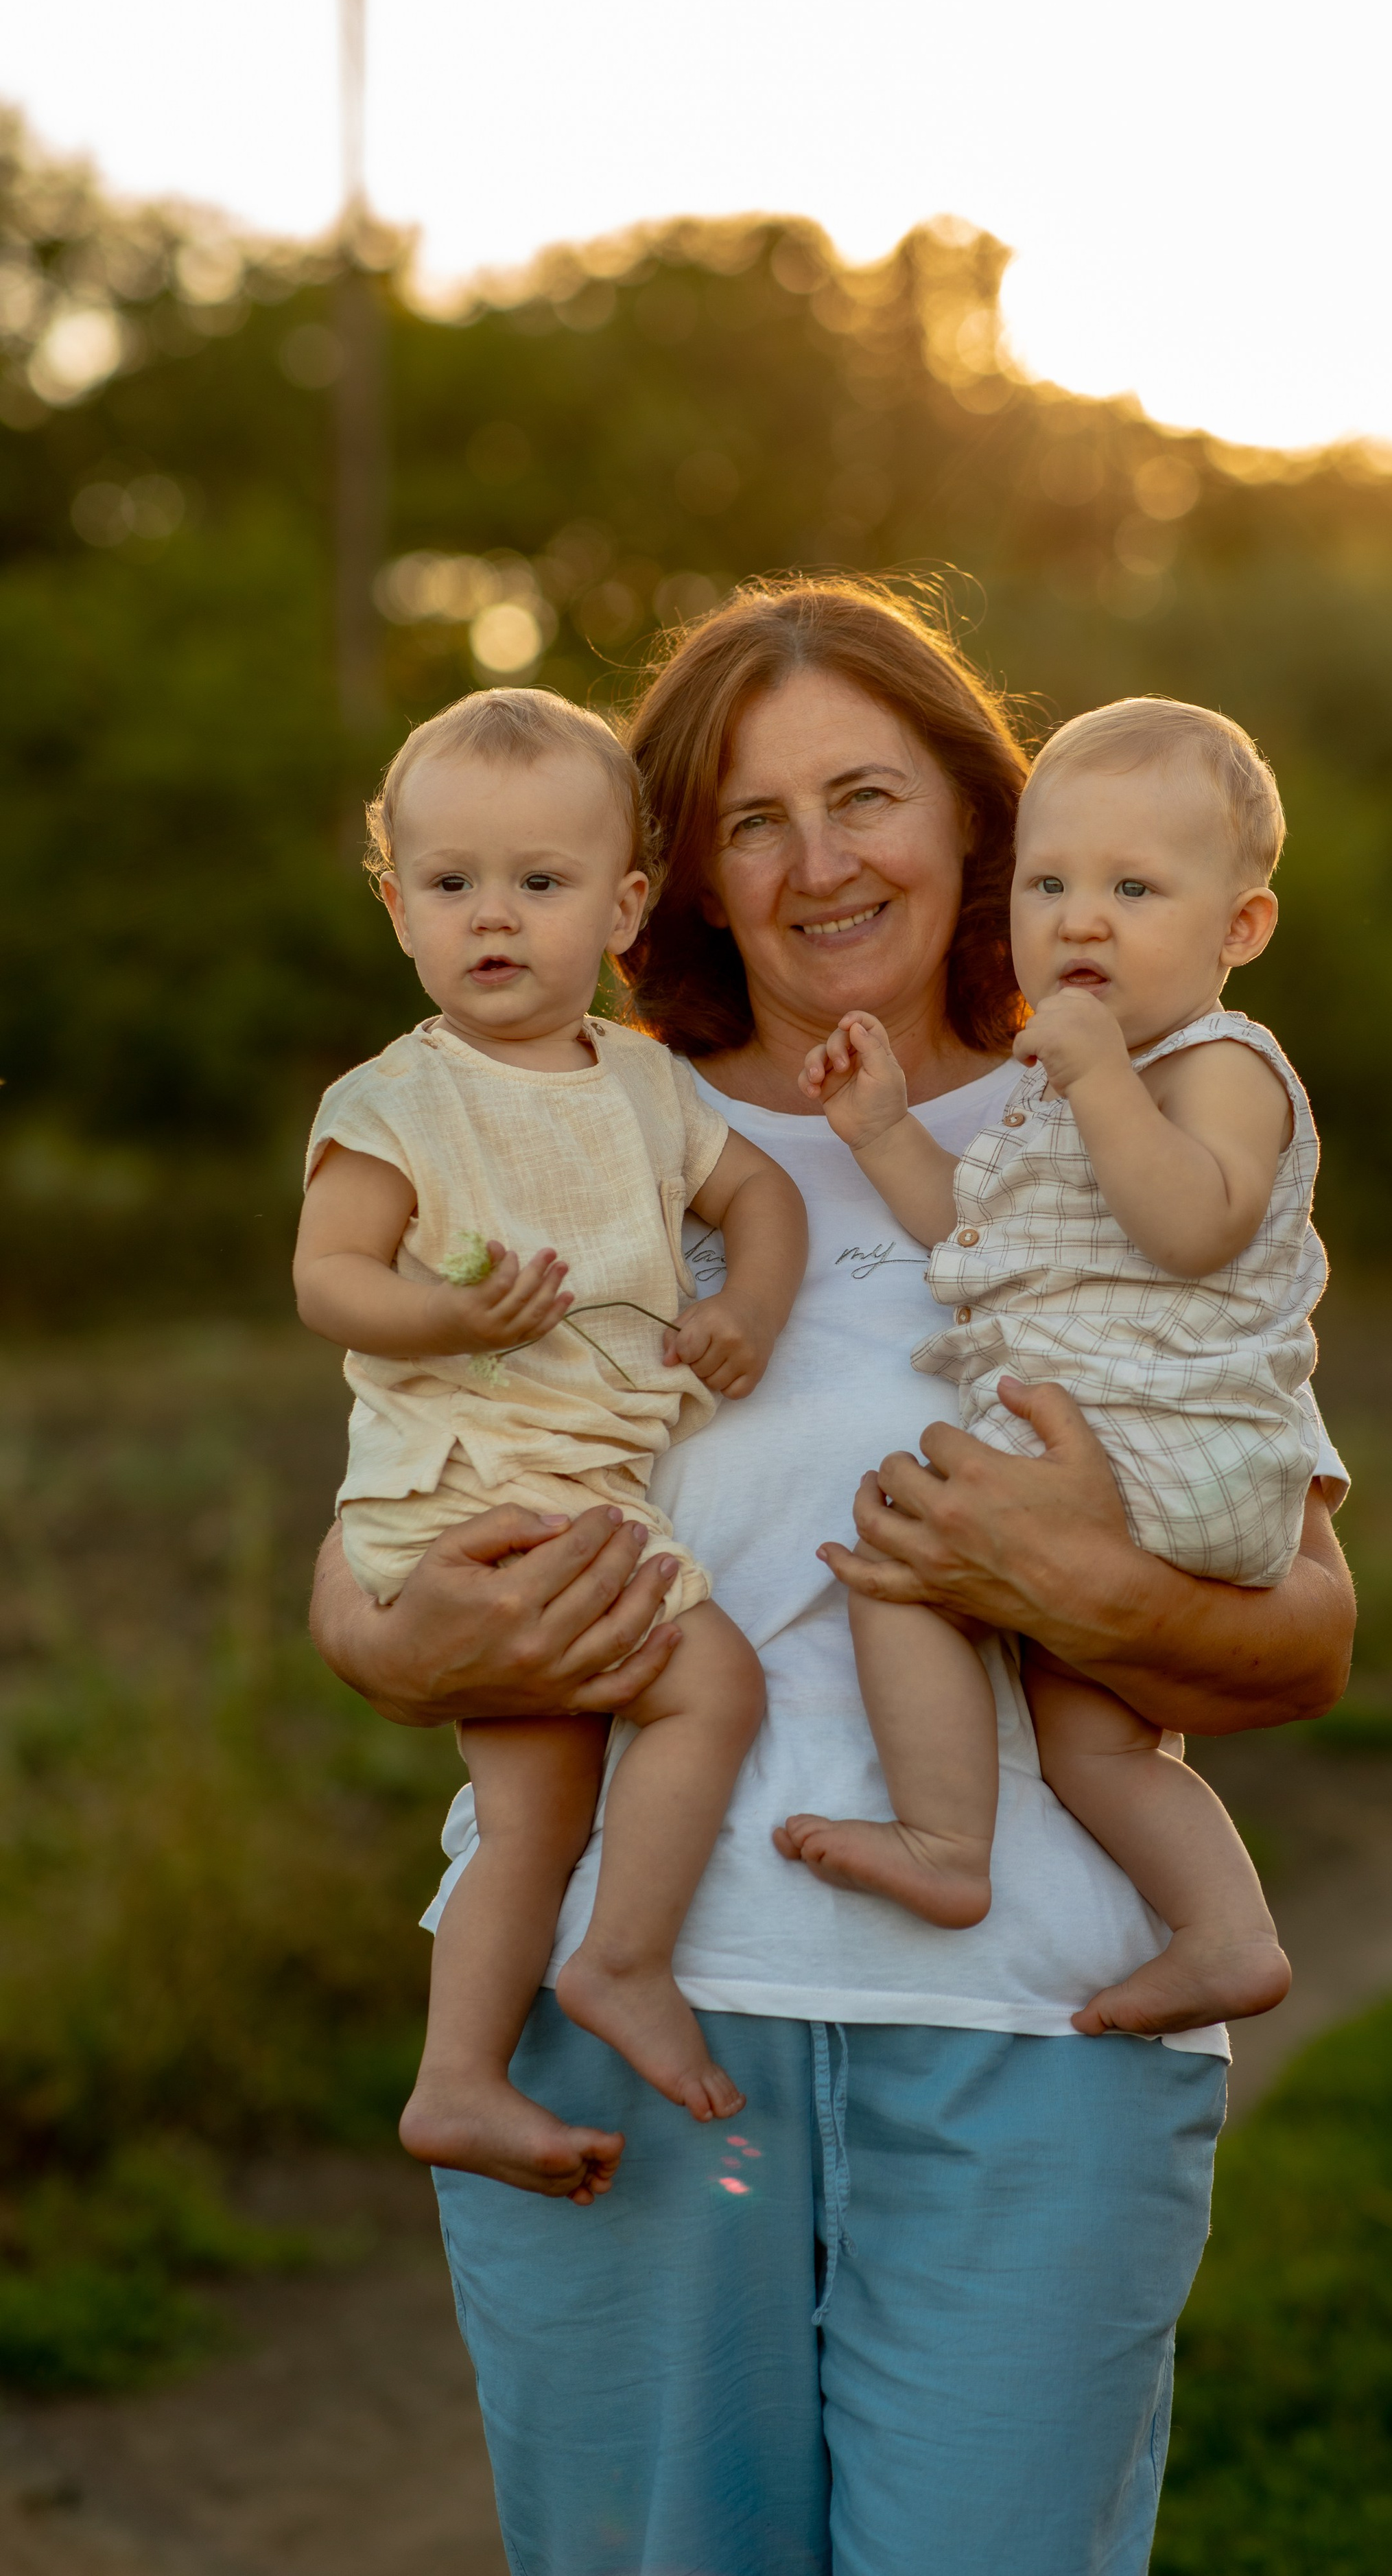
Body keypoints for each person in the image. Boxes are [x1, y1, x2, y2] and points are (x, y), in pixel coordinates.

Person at [309, 582, 1356, 2576]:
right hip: (623, 2018)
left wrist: (1076, 1586)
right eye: (749, 819)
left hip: (1043, 2027)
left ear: (976, 816)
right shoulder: (560, 1105)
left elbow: (1309, 1627)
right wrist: (400, 1638)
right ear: (670, 871)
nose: (818, 864)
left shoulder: (1126, 1117)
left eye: (866, 795)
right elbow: (379, 1557)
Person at [294, 688, 806, 2188]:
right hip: (471, 1493)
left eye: (541, 882)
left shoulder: (645, 1086)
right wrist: (442, 1319)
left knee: (536, 1805)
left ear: (626, 905)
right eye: (451, 886)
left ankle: (460, 2074)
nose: (493, 919)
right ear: (399, 910)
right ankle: (617, 1963)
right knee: (707, 1685)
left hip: (579, 1488)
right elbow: (326, 1275)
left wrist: (751, 1311)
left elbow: (757, 1206)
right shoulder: (398, 1098)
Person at [781, 696, 1319, 2041]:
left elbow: (1193, 1221)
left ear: (1235, 928)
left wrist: (1095, 1083)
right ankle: (1225, 1932)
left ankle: (943, 1843)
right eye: (1049, 882)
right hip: (1124, 1456)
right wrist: (880, 1130)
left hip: (1163, 1442)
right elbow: (975, 1232)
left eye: (1134, 887)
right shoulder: (1062, 1087)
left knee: (899, 1551)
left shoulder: (1221, 1066)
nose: (1081, 919)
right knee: (1094, 1739)